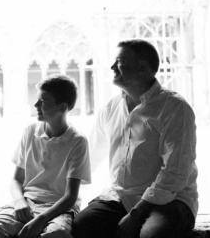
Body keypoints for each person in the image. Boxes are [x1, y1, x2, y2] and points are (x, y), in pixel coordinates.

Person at [73, 39, 198, 238]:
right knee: (83, 225)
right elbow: (89, 157)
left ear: (141, 67)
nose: (113, 66)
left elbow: (175, 174)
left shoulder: (174, 108)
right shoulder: (111, 108)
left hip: (170, 199)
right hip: (122, 197)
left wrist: (136, 215)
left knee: (150, 235)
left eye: (119, 61)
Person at [0, 75, 91, 238]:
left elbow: (70, 197)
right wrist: (20, 202)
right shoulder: (30, 132)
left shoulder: (77, 141)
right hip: (27, 202)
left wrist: (40, 220)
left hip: (59, 208)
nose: (35, 105)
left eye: (43, 102)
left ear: (62, 107)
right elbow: (16, 180)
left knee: (56, 234)